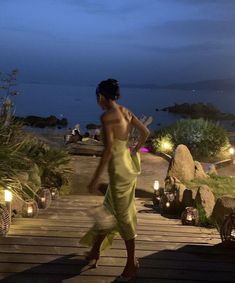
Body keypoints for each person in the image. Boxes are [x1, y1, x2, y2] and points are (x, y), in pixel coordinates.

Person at [79, 78, 150, 281]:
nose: (97, 101)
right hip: (127, 166)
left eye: (97, 97)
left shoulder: (106, 116)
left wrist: (95, 178)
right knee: (108, 209)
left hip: (118, 172)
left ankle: (131, 263)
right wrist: (135, 150)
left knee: (123, 217)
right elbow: (145, 132)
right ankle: (95, 251)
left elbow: (108, 150)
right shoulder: (126, 112)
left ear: (101, 96)